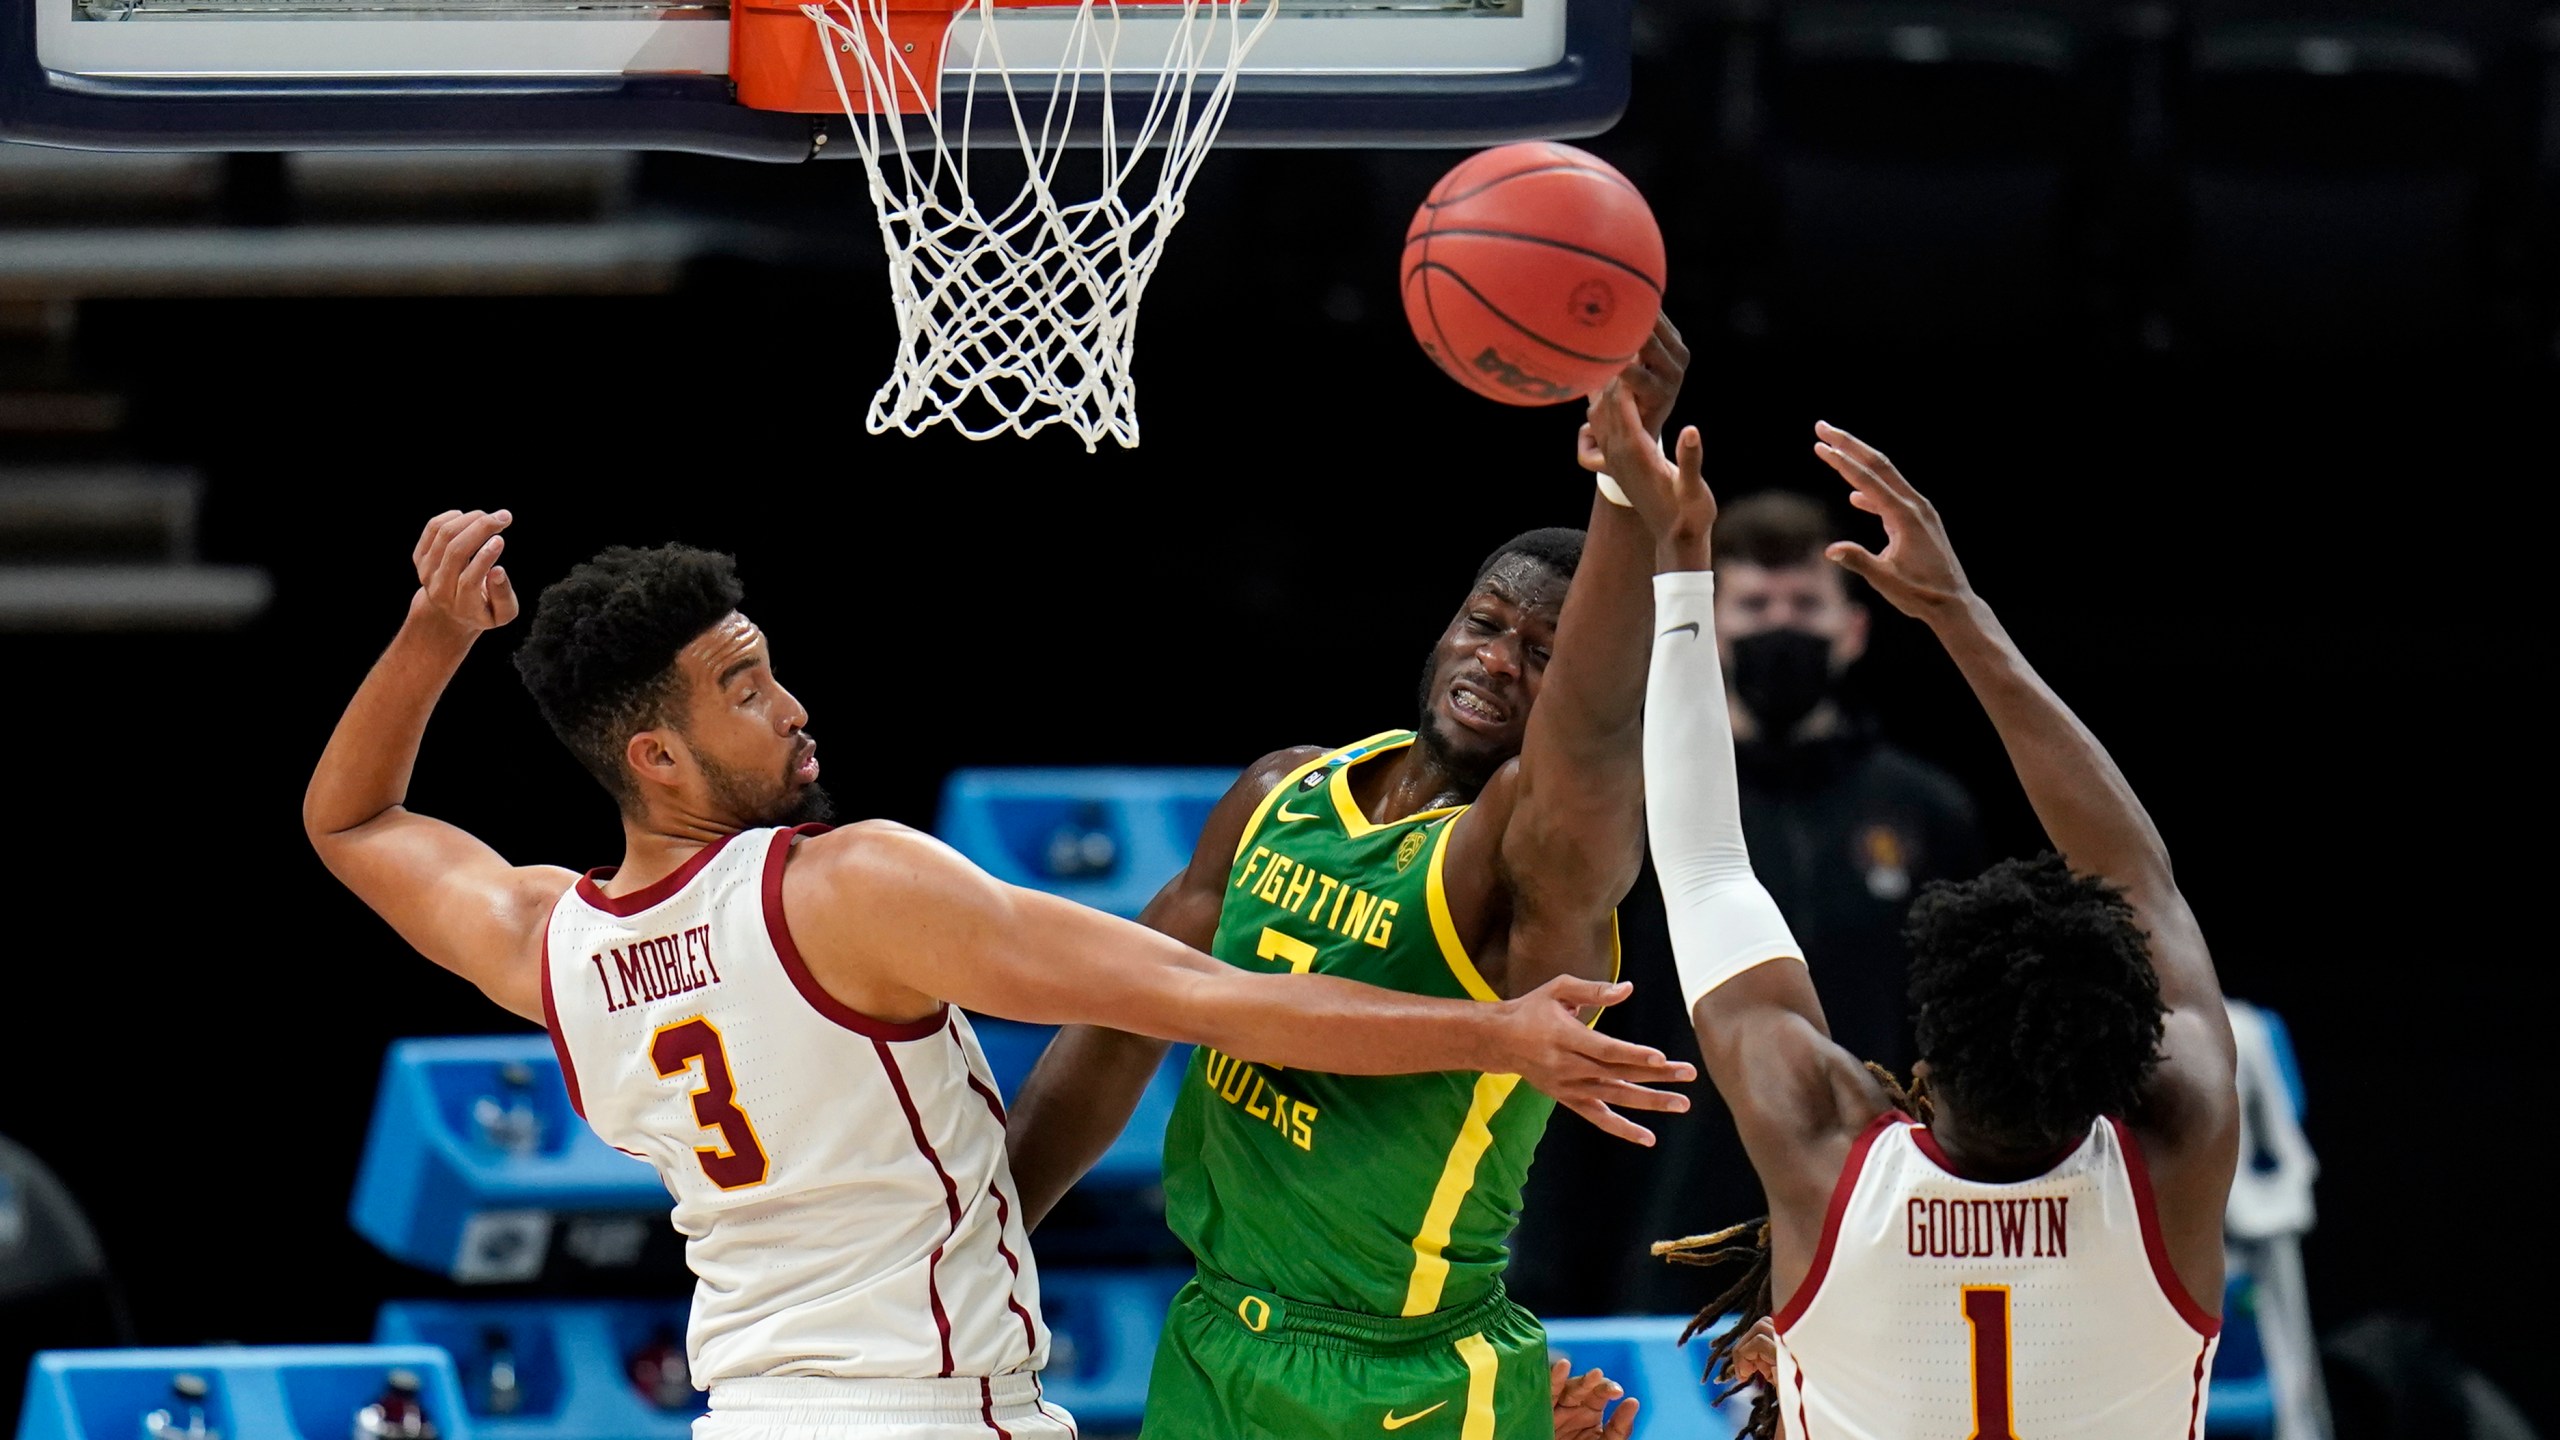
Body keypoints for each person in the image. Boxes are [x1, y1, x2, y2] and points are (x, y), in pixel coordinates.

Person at [301, 512, 1694, 1440]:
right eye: (743, 689)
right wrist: (1492, 1036)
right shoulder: (847, 888)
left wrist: (435, 637)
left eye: (771, 670)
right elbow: (1188, 996)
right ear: (655, 758)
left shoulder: (560, 945)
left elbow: (352, 822)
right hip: (931, 1406)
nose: (790, 706)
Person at [1001, 318, 1691, 1440]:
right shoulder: (1280, 793)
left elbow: (1592, 746)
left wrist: (1623, 493)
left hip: (1399, 1376)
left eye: (1545, 653)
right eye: (1485, 624)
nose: (1497, 661)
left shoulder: (1517, 870)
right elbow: (1120, 1023)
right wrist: (991, 1238)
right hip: (1215, 1335)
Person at [1591, 401, 2237, 1437]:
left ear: (1924, 1028)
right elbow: (2139, 875)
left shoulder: (1826, 1155)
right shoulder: (2179, 1152)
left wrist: (1679, 565)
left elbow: (1703, 869)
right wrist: (1958, 614)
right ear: (2131, 1052)